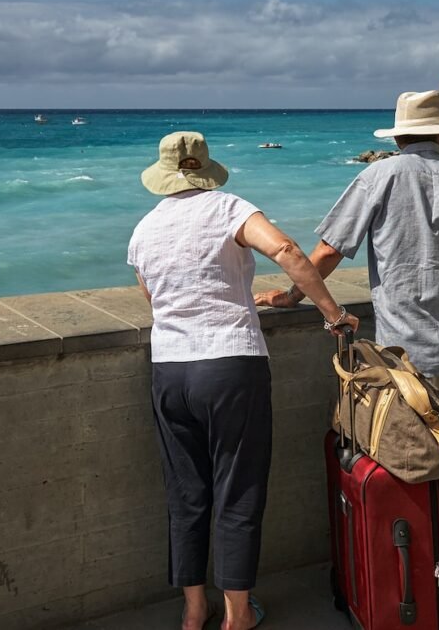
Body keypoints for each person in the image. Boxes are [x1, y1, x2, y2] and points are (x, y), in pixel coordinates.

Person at [255, 90, 439, 556]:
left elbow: (330, 250)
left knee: (413, 467)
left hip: (412, 357)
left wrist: (292, 295)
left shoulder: (379, 175)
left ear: (398, 138)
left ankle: (416, 584)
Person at [128, 131, 359, 630]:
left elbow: (156, 299)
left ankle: (193, 610)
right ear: (206, 170)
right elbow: (288, 251)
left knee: (186, 492)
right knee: (238, 490)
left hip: (170, 370)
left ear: (164, 176)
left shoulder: (144, 230)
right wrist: (333, 313)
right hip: (231, 364)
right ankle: (237, 614)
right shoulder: (229, 208)